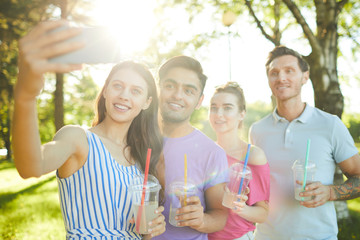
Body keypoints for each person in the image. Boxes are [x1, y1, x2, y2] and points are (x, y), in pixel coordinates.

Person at [12, 20, 166, 240]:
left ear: (146, 102)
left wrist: (150, 229)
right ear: (105, 91)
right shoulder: (78, 139)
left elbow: (140, 233)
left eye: (136, 91)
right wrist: (26, 97)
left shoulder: (141, 159)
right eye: (117, 85)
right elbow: (31, 166)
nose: (124, 95)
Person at [249, 45, 360, 240]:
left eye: (289, 71)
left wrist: (331, 192)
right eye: (274, 73)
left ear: (305, 77)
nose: (281, 77)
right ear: (268, 80)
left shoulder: (330, 125)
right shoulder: (257, 130)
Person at [152, 56, 229, 240]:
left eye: (188, 90)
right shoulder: (134, 140)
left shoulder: (212, 153)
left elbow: (220, 214)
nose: (177, 95)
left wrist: (201, 220)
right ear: (158, 89)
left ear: (199, 100)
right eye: (170, 86)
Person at [207, 82, 270, 240]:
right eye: (213, 107)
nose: (218, 113)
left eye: (227, 108)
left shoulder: (254, 156)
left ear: (242, 114)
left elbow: (263, 213)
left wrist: (241, 208)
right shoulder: (205, 153)